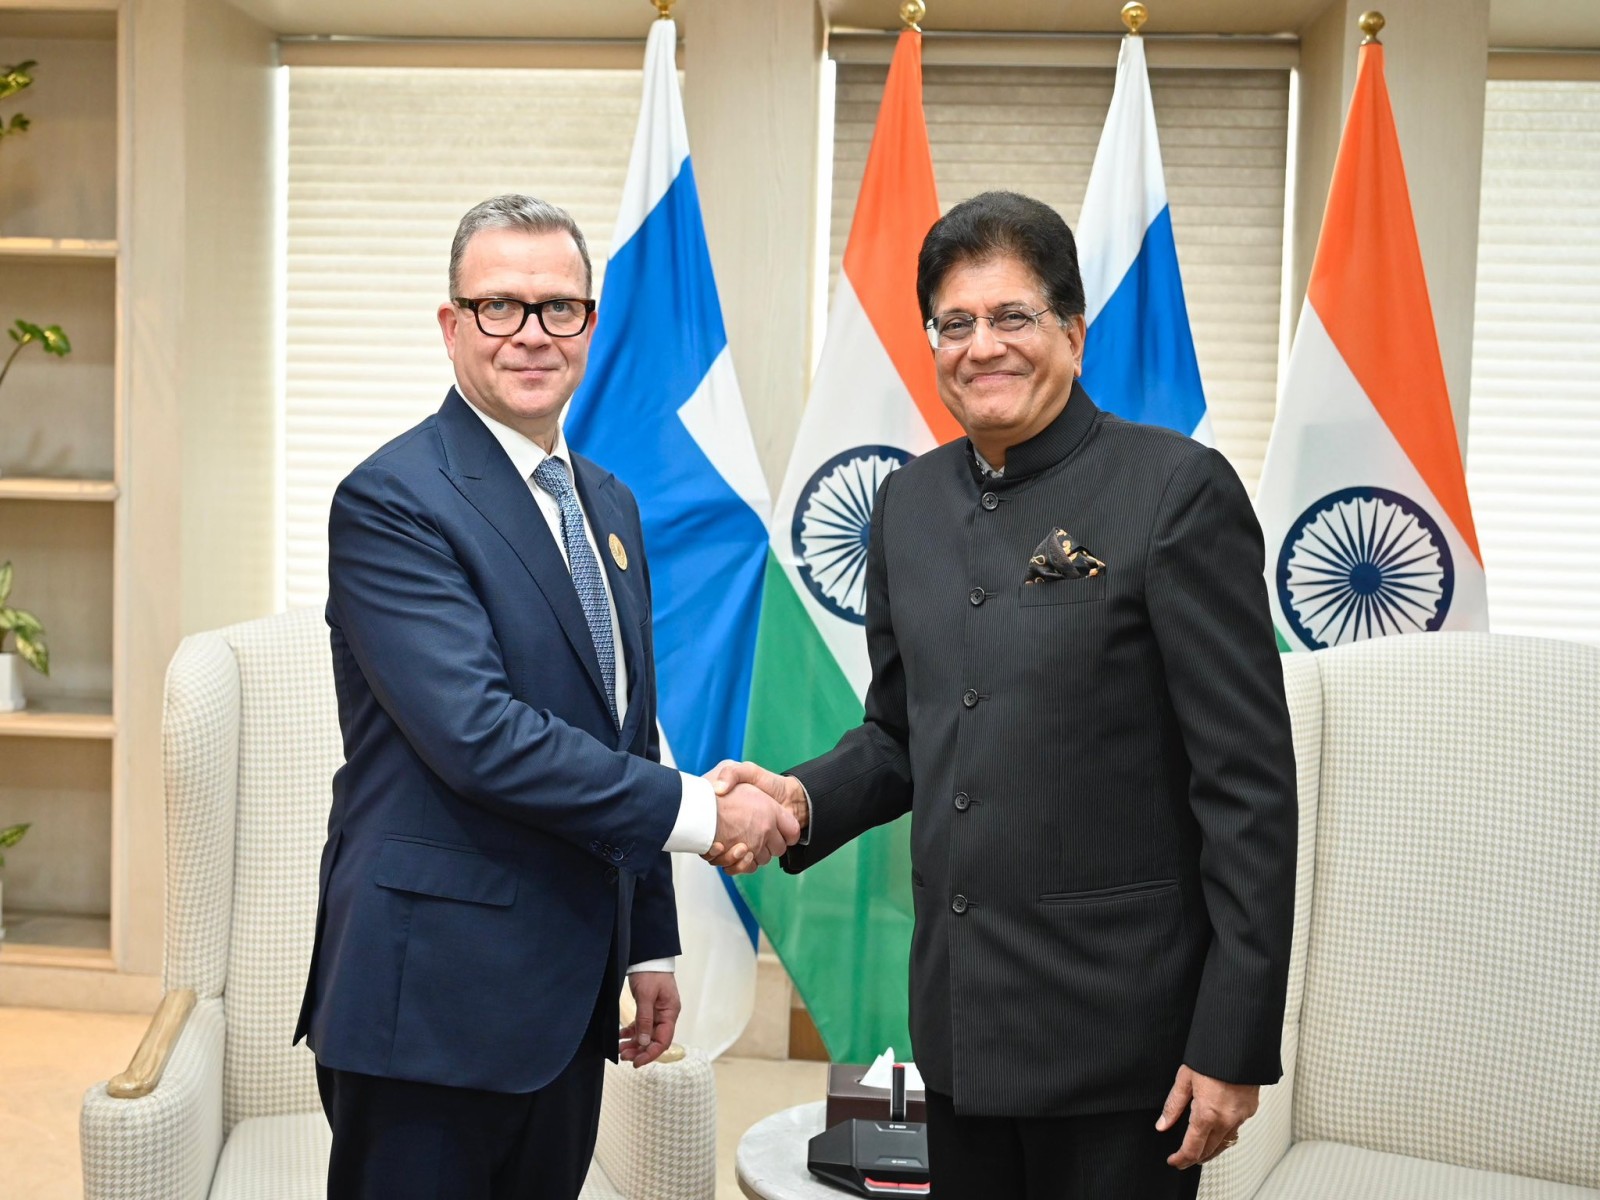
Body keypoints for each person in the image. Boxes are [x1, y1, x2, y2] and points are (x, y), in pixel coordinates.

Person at [712, 190, 1298, 1198]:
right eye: (956, 322)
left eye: (1012, 316)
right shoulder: (907, 504)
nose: (983, 345)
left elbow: (1247, 792)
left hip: (1127, 1046)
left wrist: (1232, 1038)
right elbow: (901, 733)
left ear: (1071, 333)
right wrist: (801, 799)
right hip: (957, 1028)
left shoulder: (1176, 492)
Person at [294, 194, 798, 1200]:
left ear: (590, 327)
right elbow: (482, 738)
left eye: (558, 307)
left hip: (568, 997)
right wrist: (707, 815)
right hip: (426, 1004)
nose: (531, 333)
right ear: (451, 325)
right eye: (499, 306)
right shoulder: (392, 500)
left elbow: (627, 731)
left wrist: (649, 937)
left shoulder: (607, 504)